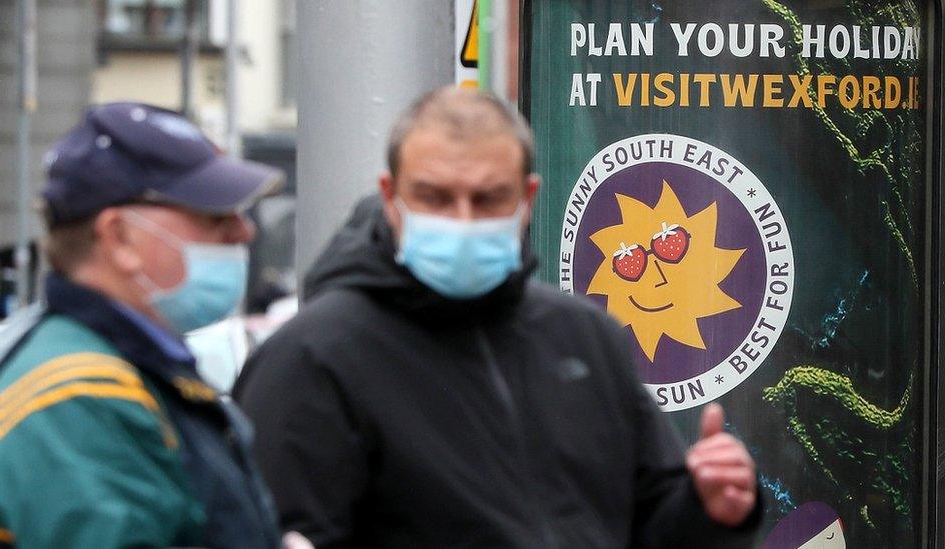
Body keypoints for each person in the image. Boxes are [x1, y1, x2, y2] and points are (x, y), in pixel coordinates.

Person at [234, 87, 762, 548]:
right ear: (391, 197)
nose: (462, 221)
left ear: (527, 199)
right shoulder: (313, 358)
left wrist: (710, 509)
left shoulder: (585, 337)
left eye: (488, 199)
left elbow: (652, 523)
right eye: (435, 197)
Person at [0, 103, 282, 548]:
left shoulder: (126, 370)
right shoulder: (77, 396)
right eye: (214, 215)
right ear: (119, 236)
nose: (244, 232)